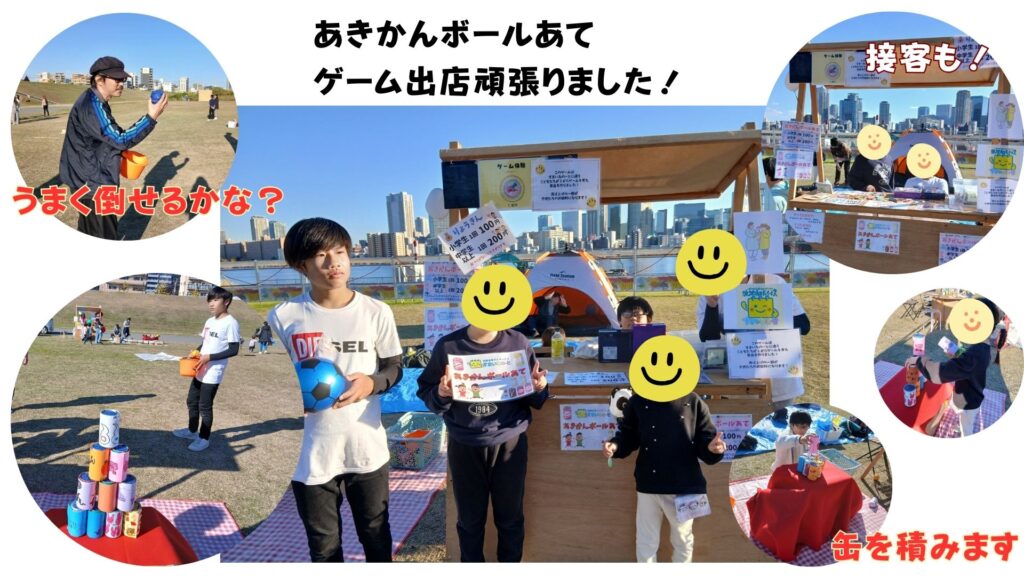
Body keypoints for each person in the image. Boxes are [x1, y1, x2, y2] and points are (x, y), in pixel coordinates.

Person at [267, 218, 404, 562]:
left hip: (365, 447)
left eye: (340, 252)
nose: (334, 263)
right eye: (321, 255)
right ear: (301, 265)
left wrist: (372, 383)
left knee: (376, 534)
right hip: (308, 454)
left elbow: (395, 368)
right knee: (324, 546)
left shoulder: (376, 311)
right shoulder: (283, 316)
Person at [417, 303, 549, 562]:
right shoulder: (448, 346)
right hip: (465, 443)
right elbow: (427, 394)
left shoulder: (518, 342)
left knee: (510, 518)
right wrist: (441, 393)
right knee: (469, 519)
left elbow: (536, 397)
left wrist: (539, 387)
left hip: (509, 442)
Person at [602, 386, 726, 562]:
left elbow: (705, 440)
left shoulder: (693, 401)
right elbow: (628, 436)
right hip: (648, 484)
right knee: (646, 541)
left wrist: (713, 448)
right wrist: (615, 446)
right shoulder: (638, 402)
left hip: (685, 486)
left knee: (683, 541)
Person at [59, 56, 168, 239]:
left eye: (123, 79)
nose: (121, 83)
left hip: (87, 179)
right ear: (99, 79)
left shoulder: (97, 101)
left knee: (90, 233)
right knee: (104, 236)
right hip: (93, 185)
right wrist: (151, 117)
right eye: (117, 79)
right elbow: (120, 139)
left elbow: (108, 137)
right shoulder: (91, 105)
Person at [697, 274, 812, 410]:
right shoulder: (711, 290)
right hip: (736, 386)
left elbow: (804, 325)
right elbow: (708, 337)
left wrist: (769, 313)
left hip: (780, 383)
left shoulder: (774, 282)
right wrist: (712, 306)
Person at [912, 298, 1006, 437]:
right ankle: (961, 422)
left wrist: (919, 360)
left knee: (966, 429)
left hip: (968, 403)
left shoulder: (975, 354)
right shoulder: (983, 347)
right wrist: (956, 356)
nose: (968, 320)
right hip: (969, 395)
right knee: (961, 415)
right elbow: (968, 367)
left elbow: (940, 373)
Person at [172, 286, 240, 451]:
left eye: (215, 300)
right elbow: (205, 342)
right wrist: (196, 351)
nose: (211, 304)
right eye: (210, 300)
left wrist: (209, 357)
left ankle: (204, 438)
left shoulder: (231, 323)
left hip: (214, 371)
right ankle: (191, 431)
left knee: (205, 406)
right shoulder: (210, 321)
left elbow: (234, 349)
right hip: (200, 368)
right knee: (191, 401)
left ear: (226, 302)